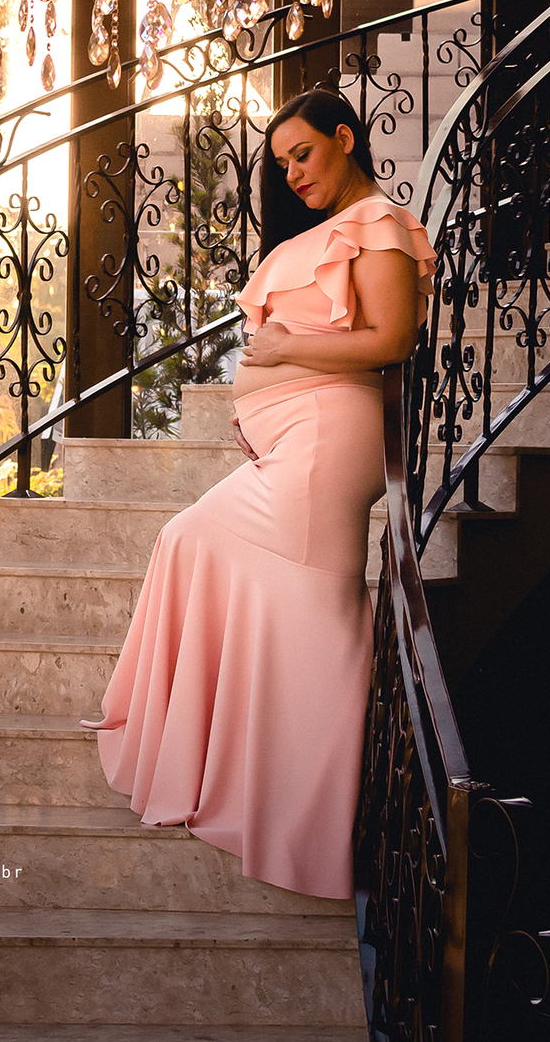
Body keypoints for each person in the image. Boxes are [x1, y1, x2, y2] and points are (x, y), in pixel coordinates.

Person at [79, 87, 435, 900]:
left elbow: (391, 339)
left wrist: (286, 348)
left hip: (328, 442)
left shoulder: (376, 225)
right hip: (297, 440)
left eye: (304, 154)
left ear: (345, 139)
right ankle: (232, 765)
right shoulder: (323, 233)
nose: (293, 173)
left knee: (317, 613)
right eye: (282, 164)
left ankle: (312, 819)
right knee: (192, 542)